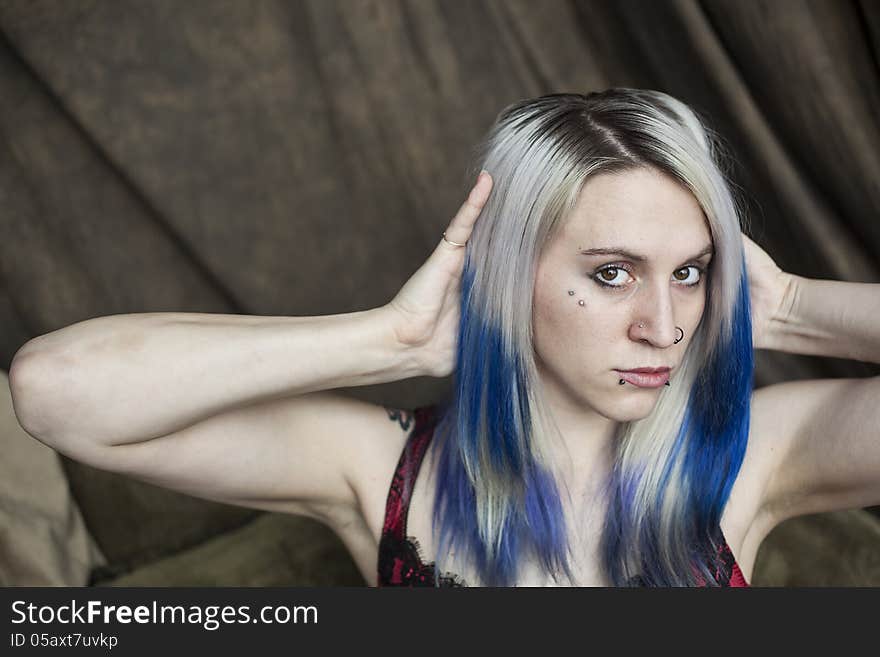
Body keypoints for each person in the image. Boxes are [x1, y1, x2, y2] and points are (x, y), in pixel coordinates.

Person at [9, 89, 880, 587]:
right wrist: (387, 341)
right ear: (509, 273)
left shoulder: (752, 452)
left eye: (689, 271)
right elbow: (56, 389)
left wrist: (795, 306)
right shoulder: (383, 471)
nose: (666, 325)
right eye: (612, 273)